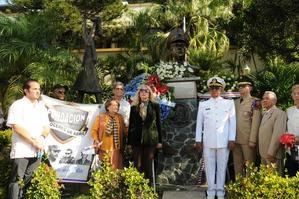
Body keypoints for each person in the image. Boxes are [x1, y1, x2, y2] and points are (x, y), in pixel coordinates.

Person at [6, 79, 50, 199]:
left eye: (39, 89)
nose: (38, 91)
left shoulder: (42, 107)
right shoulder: (18, 105)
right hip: (22, 149)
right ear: (26, 91)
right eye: (34, 89)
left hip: (38, 150)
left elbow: (47, 127)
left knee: (28, 177)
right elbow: (16, 126)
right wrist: (32, 141)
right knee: (17, 179)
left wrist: (41, 138)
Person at [195, 76, 236, 199]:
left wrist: (232, 138)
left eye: (217, 88)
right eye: (212, 88)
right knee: (209, 168)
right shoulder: (203, 104)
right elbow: (199, 123)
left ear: (221, 89)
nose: (214, 90)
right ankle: (211, 192)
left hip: (224, 141)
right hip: (208, 141)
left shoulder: (229, 103)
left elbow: (232, 122)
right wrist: (198, 140)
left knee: (222, 167)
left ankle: (220, 192)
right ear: (209, 90)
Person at [127, 84, 162, 183]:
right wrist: (129, 142)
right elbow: (131, 125)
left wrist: (160, 141)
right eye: (141, 91)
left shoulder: (155, 106)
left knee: (148, 164)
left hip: (151, 140)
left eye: (146, 91)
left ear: (149, 93)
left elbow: (158, 123)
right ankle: (138, 188)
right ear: (139, 94)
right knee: (137, 165)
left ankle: (149, 188)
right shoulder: (134, 107)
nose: (143, 93)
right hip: (136, 140)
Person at [233, 78, 262, 176]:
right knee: (237, 166)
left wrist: (253, 139)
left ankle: (250, 188)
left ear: (250, 88)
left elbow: (256, 122)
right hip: (235, 138)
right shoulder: (235, 102)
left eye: (244, 86)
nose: (241, 88)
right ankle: (239, 187)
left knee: (250, 166)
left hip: (247, 139)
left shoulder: (255, 102)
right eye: (239, 87)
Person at [91, 99, 126, 169]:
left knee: (115, 170)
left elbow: (124, 131)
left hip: (116, 148)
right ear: (108, 107)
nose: (116, 107)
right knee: (103, 169)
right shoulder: (101, 117)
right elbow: (94, 130)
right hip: (103, 148)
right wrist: (96, 140)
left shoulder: (120, 118)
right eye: (113, 105)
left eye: (117, 105)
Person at [258, 91, 286, 175]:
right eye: (263, 98)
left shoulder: (280, 113)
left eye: (267, 98)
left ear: (274, 101)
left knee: (274, 181)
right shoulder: (265, 113)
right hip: (263, 153)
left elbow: (277, 134)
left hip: (273, 155)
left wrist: (271, 152)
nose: (264, 100)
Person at [284, 84, 299, 176]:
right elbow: (286, 128)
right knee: (291, 175)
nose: (297, 95)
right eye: (294, 93)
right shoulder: (289, 110)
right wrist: (286, 139)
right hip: (291, 150)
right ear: (292, 96)